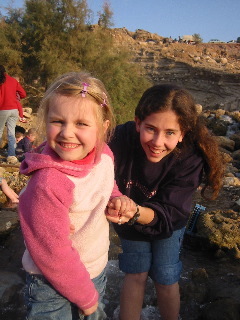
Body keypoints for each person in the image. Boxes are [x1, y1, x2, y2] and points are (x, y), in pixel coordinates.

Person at [18, 71, 134, 320]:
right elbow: (52, 254)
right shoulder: (49, 182)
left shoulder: (103, 155)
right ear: (45, 120)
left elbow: (106, 184)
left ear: (102, 128)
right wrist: (88, 299)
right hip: (50, 285)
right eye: (58, 121)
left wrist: (116, 199)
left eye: (81, 124)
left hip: (94, 270)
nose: (67, 133)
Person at [106, 84, 225, 320]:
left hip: (168, 223)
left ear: (183, 133)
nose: (158, 142)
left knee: (165, 276)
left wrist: (135, 211)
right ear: (138, 122)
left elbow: (169, 212)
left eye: (170, 132)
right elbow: (92, 164)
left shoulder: (190, 158)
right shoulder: (121, 137)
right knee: (135, 273)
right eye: (150, 129)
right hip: (128, 218)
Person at [0, 65, 27, 162]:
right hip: (14, 109)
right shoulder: (13, 80)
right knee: (11, 133)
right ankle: (12, 155)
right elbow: (23, 94)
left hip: (2, 109)